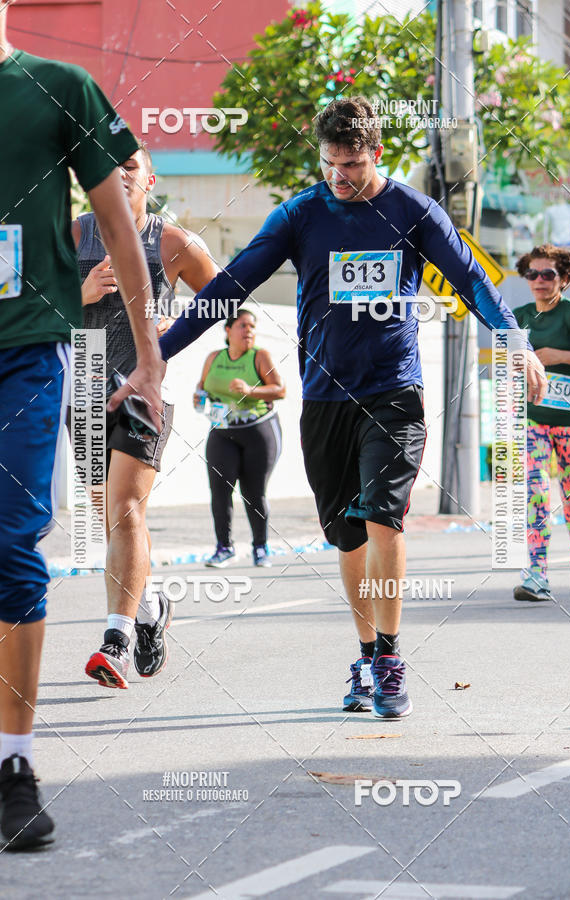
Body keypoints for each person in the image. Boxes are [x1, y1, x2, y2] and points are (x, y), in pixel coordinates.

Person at [159, 96, 547, 720]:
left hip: (394, 392)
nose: (339, 178)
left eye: (352, 166)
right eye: (330, 164)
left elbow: (474, 281)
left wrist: (513, 341)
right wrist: (158, 352)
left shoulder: (413, 213)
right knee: (345, 537)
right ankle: (365, 652)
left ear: (377, 155)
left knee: (383, 517)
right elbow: (229, 287)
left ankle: (391, 659)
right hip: (324, 399)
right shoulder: (299, 215)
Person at [0, 1, 164, 850]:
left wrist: (151, 355)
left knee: (14, 545)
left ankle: (14, 765)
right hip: (48, 363)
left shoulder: (56, 88)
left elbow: (119, 227)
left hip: (25, 355)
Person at [73, 145, 219, 689]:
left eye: (129, 166)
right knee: (108, 514)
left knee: (125, 505)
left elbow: (225, 298)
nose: (119, 175)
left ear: (150, 177)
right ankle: (152, 603)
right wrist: (78, 292)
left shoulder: (173, 241)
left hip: (143, 393)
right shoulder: (72, 236)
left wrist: (170, 331)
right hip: (84, 389)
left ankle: (116, 638)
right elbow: (21, 303)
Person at [513, 248, 570, 602]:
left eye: (547, 274)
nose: (538, 281)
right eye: (532, 274)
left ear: (564, 277)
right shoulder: (517, 316)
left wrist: (558, 356)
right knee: (535, 492)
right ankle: (538, 574)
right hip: (534, 419)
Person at [194, 308, 285, 567]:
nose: (249, 331)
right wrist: (199, 399)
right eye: (243, 326)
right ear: (228, 330)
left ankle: (260, 547)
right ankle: (224, 548)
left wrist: (250, 390)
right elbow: (202, 387)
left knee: (253, 492)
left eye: (252, 327)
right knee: (220, 491)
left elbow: (280, 390)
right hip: (222, 431)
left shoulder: (260, 357)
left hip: (258, 431)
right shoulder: (214, 357)